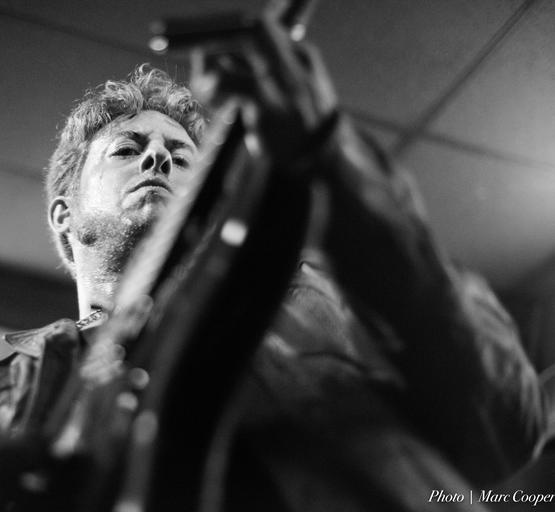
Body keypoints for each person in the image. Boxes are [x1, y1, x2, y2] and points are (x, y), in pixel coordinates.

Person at [0, 12, 552, 512]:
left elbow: (509, 428)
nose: (159, 157)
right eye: (127, 149)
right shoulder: (11, 369)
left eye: (182, 157)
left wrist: (328, 155)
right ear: (64, 216)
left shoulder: (320, 301)